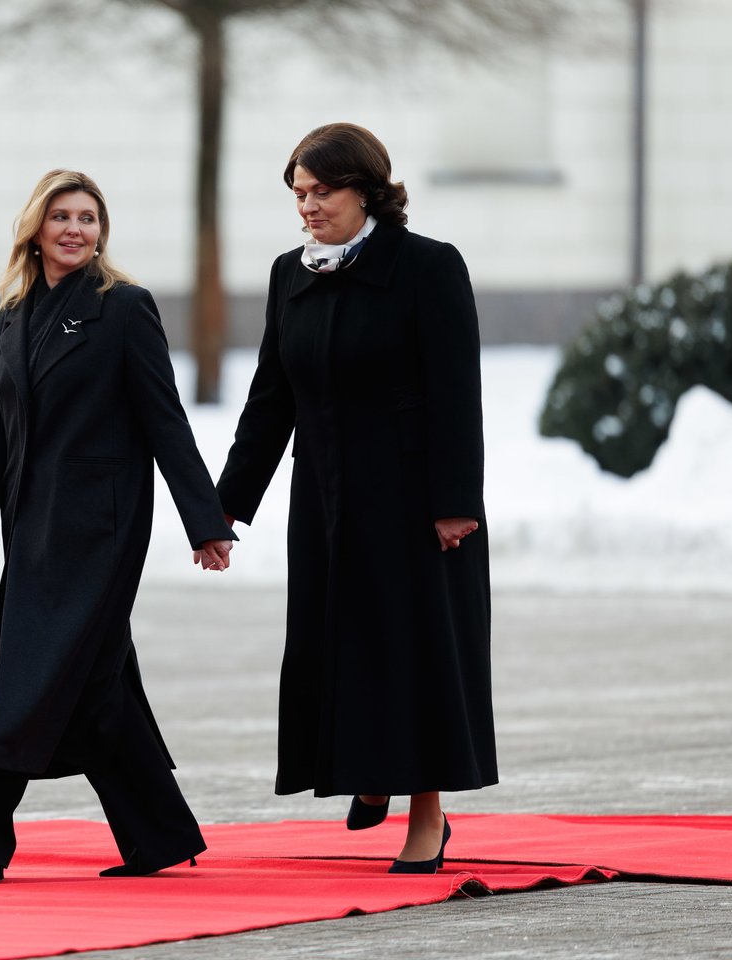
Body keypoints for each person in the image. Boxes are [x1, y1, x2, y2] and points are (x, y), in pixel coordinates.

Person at [0, 169, 236, 885]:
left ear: (101, 232)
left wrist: (204, 521)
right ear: (35, 229)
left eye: (88, 218)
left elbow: (165, 419)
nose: (75, 229)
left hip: (102, 528)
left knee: (44, 672)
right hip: (32, 526)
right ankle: (158, 836)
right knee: (93, 685)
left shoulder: (123, 307)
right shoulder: (11, 312)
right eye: (61, 216)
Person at [216, 123, 496, 874]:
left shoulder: (428, 266)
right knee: (339, 647)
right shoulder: (290, 274)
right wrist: (225, 503)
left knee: (414, 654)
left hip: (414, 503)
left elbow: (456, 393)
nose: (308, 206)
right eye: (298, 194)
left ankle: (427, 817)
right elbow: (271, 397)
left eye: (322, 191)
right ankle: (370, 773)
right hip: (326, 499)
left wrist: (455, 501)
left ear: (366, 190)